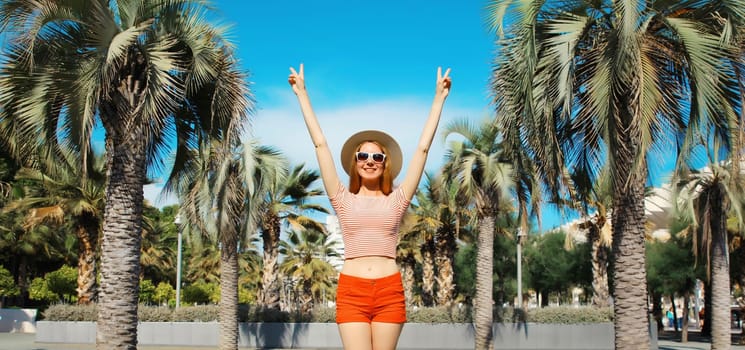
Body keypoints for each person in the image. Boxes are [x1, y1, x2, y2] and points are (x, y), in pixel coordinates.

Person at [288, 63, 451, 350]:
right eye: (363, 155)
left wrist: (438, 99)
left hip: (389, 291)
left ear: (386, 164)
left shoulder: (398, 199)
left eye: (378, 157)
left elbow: (423, 150)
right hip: (351, 291)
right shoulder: (341, 198)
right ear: (355, 162)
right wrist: (302, 94)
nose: (370, 161)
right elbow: (320, 145)